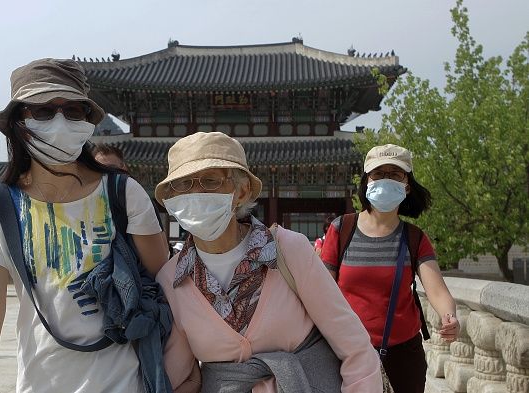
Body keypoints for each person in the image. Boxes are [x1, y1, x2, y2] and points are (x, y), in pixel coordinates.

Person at [0, 58, 170, 393]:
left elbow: (165, 284)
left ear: (88, 121)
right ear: (18, 122)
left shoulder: (122, 193)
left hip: (124, 382)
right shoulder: (1, 206)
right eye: (43, 111)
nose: (60, 121)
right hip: (40, 381)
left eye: (74, 111)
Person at [154, 132, 383, 392]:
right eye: (183, 185)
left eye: (210, 181)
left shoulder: (288, 250)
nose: (195, 193)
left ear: (241, 191)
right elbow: (182, 376)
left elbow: (356, 348)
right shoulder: (171, 280)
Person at [320, 144, 460, 393]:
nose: (386, 179)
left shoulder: (414, 237)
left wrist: (449, 316)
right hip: (346, 351)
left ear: (407, 184)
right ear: (366, 181)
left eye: (395, 174)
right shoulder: (342, 230)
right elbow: (320, 291)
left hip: (403, 354)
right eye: (378, 173)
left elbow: (437, 290)